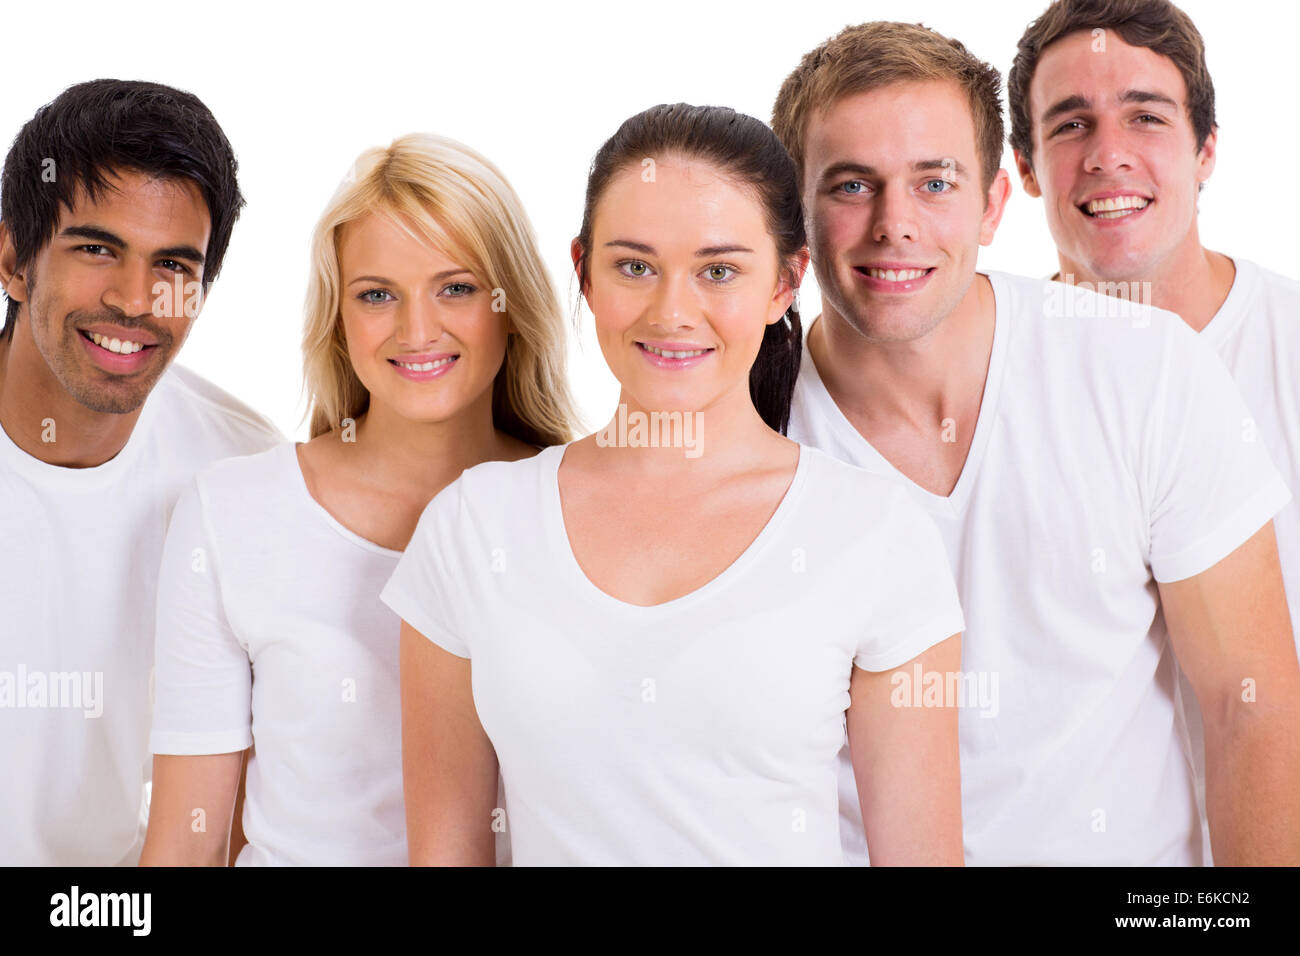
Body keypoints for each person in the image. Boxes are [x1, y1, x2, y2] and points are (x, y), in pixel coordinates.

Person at [771, 21, 1300, 865]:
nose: (894, 224)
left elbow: (1254, 705)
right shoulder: (750, 428)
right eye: (850, 186)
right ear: (791, 219)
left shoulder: (1146, 370)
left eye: (934, 182)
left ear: (992, 204)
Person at [384, 103, 966, 867]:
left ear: (785, 283)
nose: (671, 311)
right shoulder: (473, 528)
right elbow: (446, 857)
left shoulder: (874, 534)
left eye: (718, 271)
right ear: (585, 273)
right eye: (635, 267)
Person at [139, 134, 579, 865]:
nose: (417, 329)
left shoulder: (582, 508)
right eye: (377, 294)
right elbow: (184, 847)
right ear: (340, 320)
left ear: (511, 303)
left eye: (457, 287)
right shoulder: (232, 513)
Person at [1007, 0, 1300, 862]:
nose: (1108, 155)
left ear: (1207, 150)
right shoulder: (988, 379)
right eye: (1070, 125)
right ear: (1024, 167)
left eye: (1146, 115)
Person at [0, 79, 282, 866]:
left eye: (173, 266)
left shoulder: (246, 476)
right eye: (97, 248)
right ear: (14, 260)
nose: (134, 299)